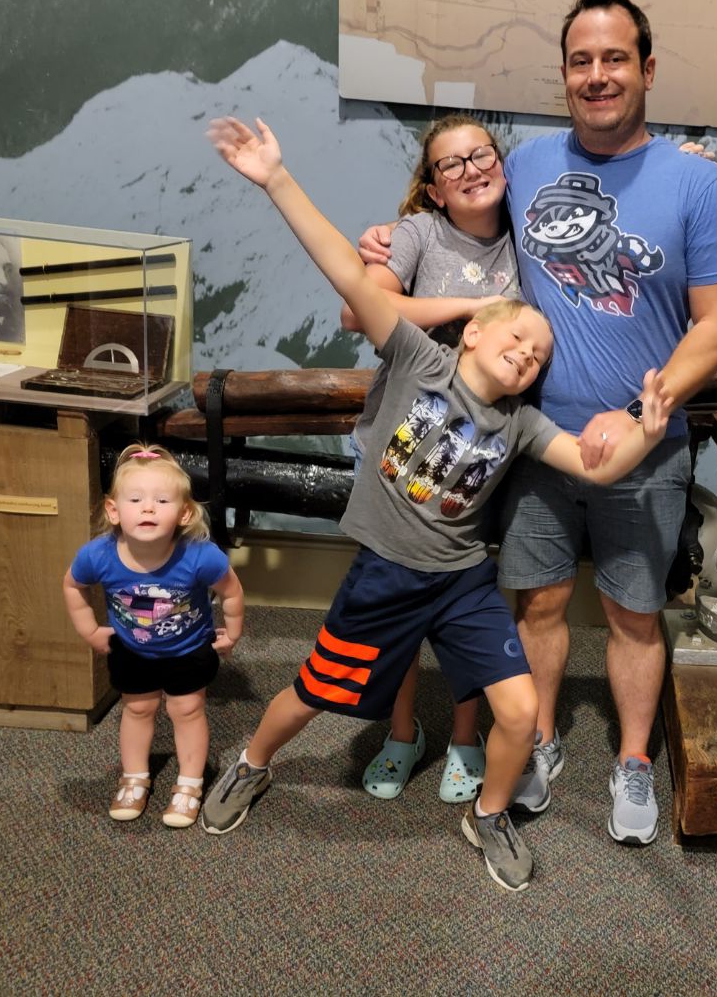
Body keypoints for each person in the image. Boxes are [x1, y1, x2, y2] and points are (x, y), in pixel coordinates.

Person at [198, 115, 670, 892]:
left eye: (538, 355)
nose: (526, 353)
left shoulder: (522, 424)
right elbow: (349, 281)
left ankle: (487, 814)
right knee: (315, 693)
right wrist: (277, 178)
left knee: (517, 714)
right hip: (385, 576)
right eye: (516, 338)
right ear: (475, 332)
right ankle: (252, 764)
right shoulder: (417, 357)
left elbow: (595, 464)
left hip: (461, 583)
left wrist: (647, 432)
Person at [359, 0, 717, 847]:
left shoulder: (696, 186)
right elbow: (450, 209)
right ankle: (534, 742)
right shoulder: (526, 163)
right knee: (533, 606)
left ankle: (635, 759)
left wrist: (653, 403)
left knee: (632, 615)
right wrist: (389, 237)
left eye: (615, 58)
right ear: (564, 74)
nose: (597, 74)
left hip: (644, 442)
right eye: (581, 61)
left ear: (647, 69)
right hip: (528, 442)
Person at [340, 113, 518, 805]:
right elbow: (364, 308)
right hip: (400, 445)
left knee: (471, 606)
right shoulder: (416, 232)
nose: (472, 169)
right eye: (452, 164)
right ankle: (403, 731)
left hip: (482, 457)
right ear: (434, 188)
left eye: (482, 154)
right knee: (398, 605)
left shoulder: (529, 235)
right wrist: (479, 305)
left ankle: (467, 737)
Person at [63, 444, 245, 828]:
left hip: (189, 649)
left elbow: (232, 592)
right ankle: (135, 777)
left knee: (187, 710)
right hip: (133, 650)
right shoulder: (97, 555)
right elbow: (72, 586)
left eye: (161, 500)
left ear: (183, 513)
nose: (148, 508)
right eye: (135, 499)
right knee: (138, 709)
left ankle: (190, 783)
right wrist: (90, 630)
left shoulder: (201, 556)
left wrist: (234, 633)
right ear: (114, 510)